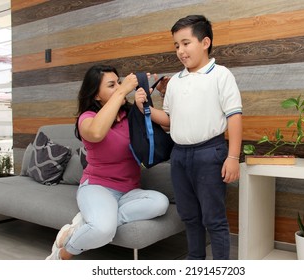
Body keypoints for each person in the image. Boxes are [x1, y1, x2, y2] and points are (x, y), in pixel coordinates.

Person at [135, 15, 242, 260]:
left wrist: (233, 157)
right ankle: (195, 262)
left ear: (205, 42)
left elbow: (234, 117)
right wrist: (146, 110)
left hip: (210, 153)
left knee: (213, 218)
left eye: (186, 43)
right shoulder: (174, 82)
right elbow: (171, 120)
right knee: (189, 216)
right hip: (179, 155)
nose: (181, 51)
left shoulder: (221, 75)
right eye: (176, 46)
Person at [46, 65, 169, 260]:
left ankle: (82, 226)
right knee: (104, 230)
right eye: (112, 85)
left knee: (160, 203)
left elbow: (165, 126)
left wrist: (160, 95)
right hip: (97, 187)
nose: (120, 87)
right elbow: (96, 133)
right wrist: (122, 91)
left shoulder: (130, 115)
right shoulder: (87, 118)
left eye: (118, 83)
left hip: (129, 191)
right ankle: (62, 254)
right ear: (96, 95)